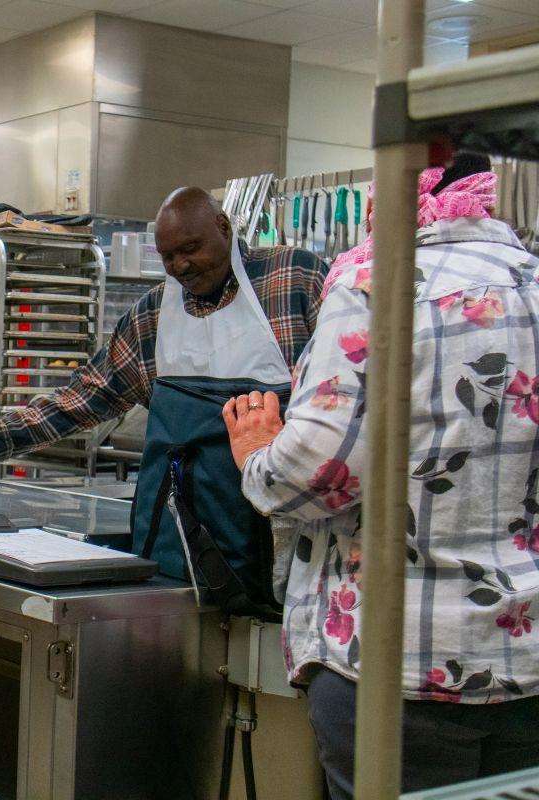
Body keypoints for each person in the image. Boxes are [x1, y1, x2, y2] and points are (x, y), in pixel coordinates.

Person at [223, 159, 539, 798]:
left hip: (397, 669)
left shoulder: (377, 286)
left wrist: (257, 453)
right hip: (528, 667)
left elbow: (315, 473)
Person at [0, 187, 329, 614]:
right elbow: (84, 397)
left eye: (191, 249)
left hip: (281, 545)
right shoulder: (154, 316)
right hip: (176, 548)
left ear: (224, 227)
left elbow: (347, 399)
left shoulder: (294, 279)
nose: (180, 265)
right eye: (168, 257)